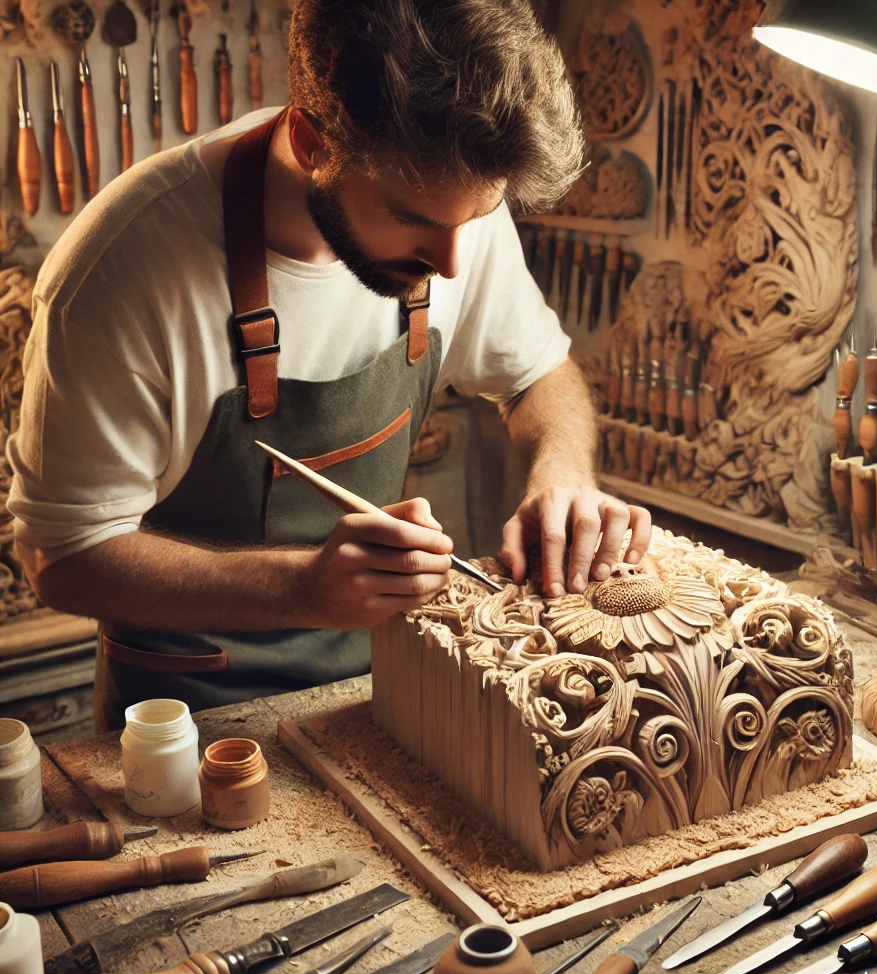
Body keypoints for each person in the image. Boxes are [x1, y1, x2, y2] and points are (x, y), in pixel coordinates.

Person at [6, 0, 651, 729]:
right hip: (194, 729)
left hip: (379, 695)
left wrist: (562, 474)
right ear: (314, 145)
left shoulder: (452, 200)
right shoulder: (120, 271)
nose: (449, 264)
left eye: (474, 222)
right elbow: (61, 557)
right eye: (416, 222)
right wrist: (298, 591)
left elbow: (540, 374)